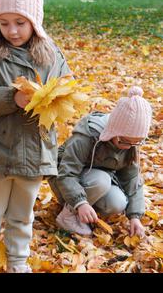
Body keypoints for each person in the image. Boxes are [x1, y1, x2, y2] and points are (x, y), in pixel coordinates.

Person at [0, 0, 72, 273]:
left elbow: (67, 91)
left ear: (35, 20)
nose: (12, 31)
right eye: (4, 22)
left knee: (22, 215)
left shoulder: (52, 54)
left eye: (20, 22)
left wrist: (50, 99)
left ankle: (17, 261)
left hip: (34, 150)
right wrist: (12, 98)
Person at [48, 86, 152, 238]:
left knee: (118, 203)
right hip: (65, 182)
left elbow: (131, 178)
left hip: (93, 183)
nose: (128, 146)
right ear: (113, 131)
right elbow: (66, 173)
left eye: (135, 143)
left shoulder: (129, 143)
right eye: (124, 141)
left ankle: (84, 213)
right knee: (101, 180)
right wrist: (80, 203)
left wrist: (135, 216)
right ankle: (68, 215)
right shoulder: (86, 137)